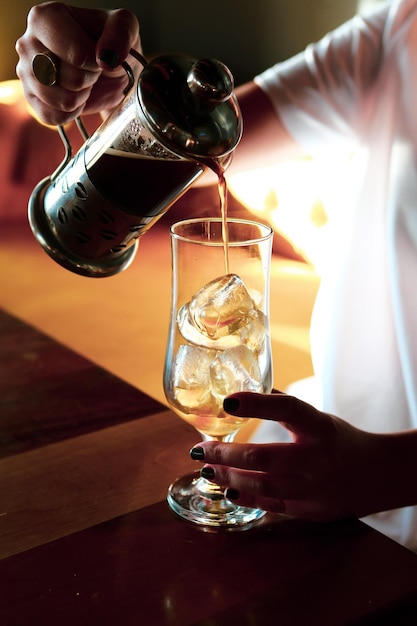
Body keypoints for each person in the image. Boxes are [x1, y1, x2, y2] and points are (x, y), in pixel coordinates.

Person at [15, 0, 417, 552]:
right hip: (298, 462)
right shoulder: (395, 33)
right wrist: (108, 96)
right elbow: (203, 149)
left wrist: (393, 470)